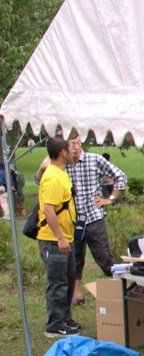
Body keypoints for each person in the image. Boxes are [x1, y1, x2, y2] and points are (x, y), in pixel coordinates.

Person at [65, 130, 128, 306]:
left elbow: (120, 176)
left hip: (93, 218)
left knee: (104, 256)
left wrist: (110, 198)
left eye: (78, 143)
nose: (76, 147)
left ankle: (121, 290)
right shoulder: (64, 164)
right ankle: (77, 295)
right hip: (74, 220)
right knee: (75, 259)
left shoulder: (94, 160)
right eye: (72, 144)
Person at [35, 138, 80, 338]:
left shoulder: (61, 173)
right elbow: (49, 210)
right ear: (63, 152)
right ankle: (54, 326)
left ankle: (65, 319)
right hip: (54, 240)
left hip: (66, 237)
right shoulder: (53, 177)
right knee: (57, 283)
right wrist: (60, 238)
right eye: (71, 148)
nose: (74, 151)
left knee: (68, 280)